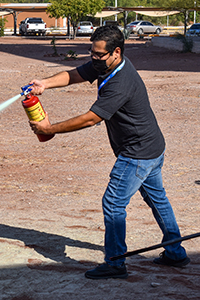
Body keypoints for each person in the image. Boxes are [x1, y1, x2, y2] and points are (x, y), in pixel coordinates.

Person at [27, 25, 190, 279]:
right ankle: (175, 253)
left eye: (98, 54)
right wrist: (45, 84)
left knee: (113, 203)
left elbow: (90, 119)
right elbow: (75, 75)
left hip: (138, 153)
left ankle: (115, 262)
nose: (94, 58)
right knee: (157, 199)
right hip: (151, 147)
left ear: (116, 52)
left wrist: (50, 128)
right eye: (91, 53)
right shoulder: (107, 64)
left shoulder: (121, 82)